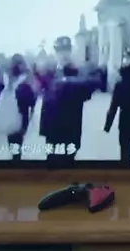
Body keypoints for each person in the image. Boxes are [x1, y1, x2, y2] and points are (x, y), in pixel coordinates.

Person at [38, 37, 97, 165]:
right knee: (51, 160)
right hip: (52, 127)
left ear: (71, 52)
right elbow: (41, 93)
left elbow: (88, 92)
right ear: (55, 53)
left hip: (71, 126)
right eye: (60, 51)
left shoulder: (79, 72)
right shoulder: (49, 72)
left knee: (70, 161)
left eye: (66, 50)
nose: (63, 54)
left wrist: (68, 83)